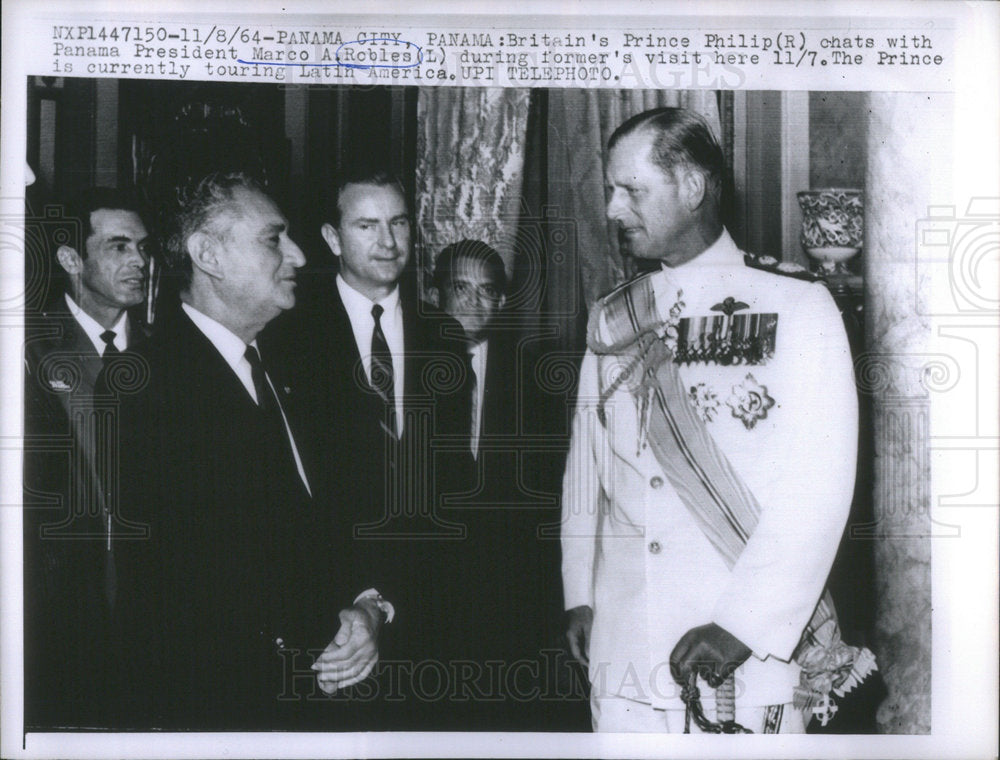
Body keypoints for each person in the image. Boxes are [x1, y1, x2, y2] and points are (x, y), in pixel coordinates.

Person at [561, 108, 874, 733]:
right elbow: (586, 467)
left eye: (633, 191)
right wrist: (580, 596)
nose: (614, 210)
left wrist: (743, 623)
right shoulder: (612, 317)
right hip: (622, 652)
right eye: (612, 191)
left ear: (693, 188)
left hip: (741, 656)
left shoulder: (797, 305)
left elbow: (820, 486)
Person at [112, 173, 391, 729]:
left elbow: (345, 513)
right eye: (273, 238)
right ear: (208, 254)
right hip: (225, 709)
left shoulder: (300, 365)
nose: (297, 253)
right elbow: (185, 583)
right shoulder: (144, 382)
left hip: (326, 697)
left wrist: (367, 605)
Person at [275, 168, 474, 729]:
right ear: (333, 239)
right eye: (367, 225)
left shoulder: (445, 338)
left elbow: (454, 486)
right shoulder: (287, 334)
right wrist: (360, 601)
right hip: (334, 619)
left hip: (431, 616)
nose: (388, 242)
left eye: (399, 223)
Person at [432, 239, 576, 729]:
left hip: (511, 591)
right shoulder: (408, 365)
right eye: (460, 288)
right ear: (436, 295)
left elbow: (552, 495)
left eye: (487, 291)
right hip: (430, 590)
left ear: (502, 301)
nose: (474, 302)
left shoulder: (536, 373)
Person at [22, 186, 150, 727]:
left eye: (143, 247)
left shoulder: (168, 351)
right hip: (57, 624)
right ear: (72, 259)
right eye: (119, 246)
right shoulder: (27, 352)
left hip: (155, 620)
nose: (139, 261)